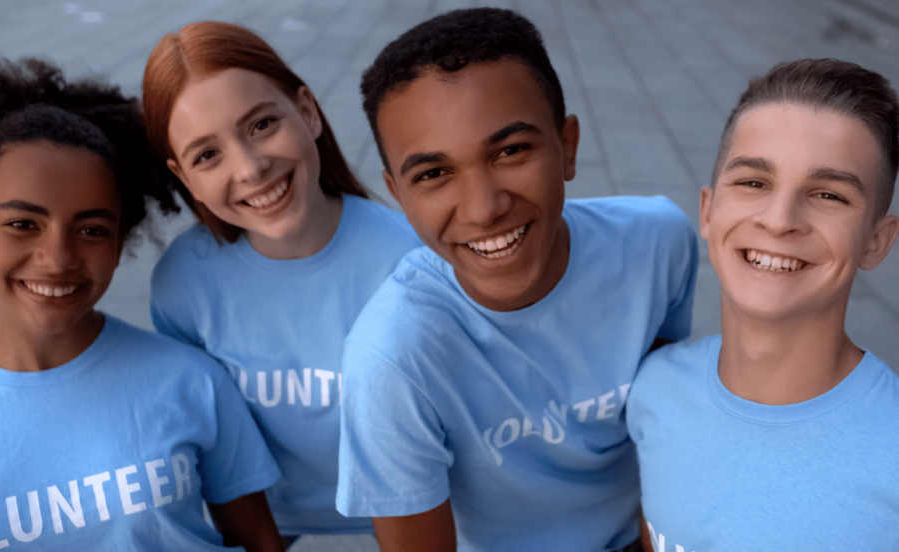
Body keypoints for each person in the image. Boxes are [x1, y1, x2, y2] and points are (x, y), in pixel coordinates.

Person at [335, 8, 699, 552]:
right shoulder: (390, 359)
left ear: (567, 145)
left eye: (510, 151)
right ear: (397, 193)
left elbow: (667, 424)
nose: (483, 209)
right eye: (433, 174)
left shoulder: (658, 242)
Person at [0, 56, 284, 551]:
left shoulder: (191, 381)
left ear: (119, 244)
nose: (57, 259)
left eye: (91, 230)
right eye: (23, 224)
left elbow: (260, 541)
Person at [141, 21, 421, 545]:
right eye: (207, 155)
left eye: (262, 124)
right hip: (272, 532)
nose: (249, 168)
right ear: (183, 177)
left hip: (418, 520)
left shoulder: (412, 256)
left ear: (308, 111)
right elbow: (216, 450)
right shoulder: (184, 283)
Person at [627, 58, 899, 551]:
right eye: (753, 182)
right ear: (709, 211)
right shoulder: (654, 390)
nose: (779, 220)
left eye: (828, 194)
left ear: (876, 242)